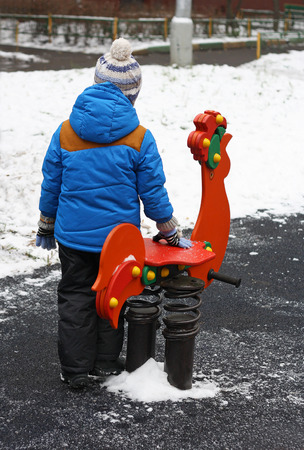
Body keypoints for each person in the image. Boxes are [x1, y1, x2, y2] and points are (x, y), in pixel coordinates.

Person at [36, 38, 191, 389]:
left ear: (96, 84)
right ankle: (104, 362)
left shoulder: (65, 132)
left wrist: (46, 224)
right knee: (113, 295)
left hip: (74, 237)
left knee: (76, 297)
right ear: (132, 94)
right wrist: (169, 232)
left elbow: (51, 184)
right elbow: (152, 193)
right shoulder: (139, 137)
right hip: (117, 242)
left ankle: (75, 370)